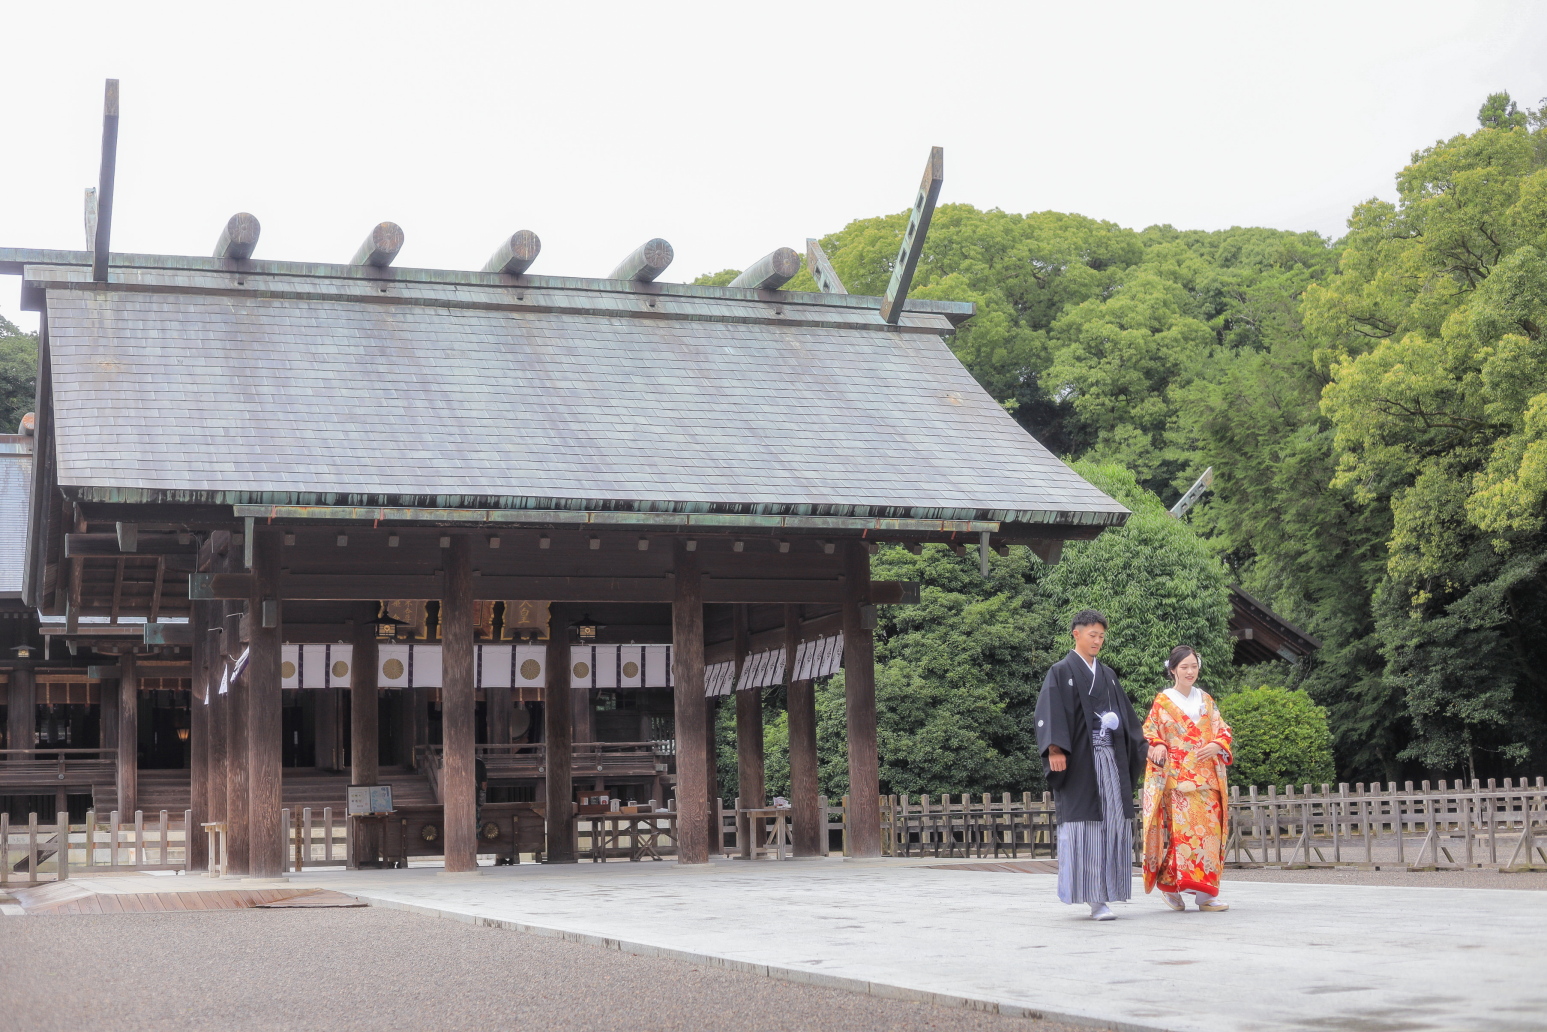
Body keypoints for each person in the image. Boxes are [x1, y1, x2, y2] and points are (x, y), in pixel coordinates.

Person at [1035, 609, 1147, 920]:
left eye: (1101, 636)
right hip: (1082, 762)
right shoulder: (1060, 671)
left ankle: (1109, 890)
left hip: (1110, 759)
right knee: (1085, 825)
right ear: (1076, 634)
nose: (1097, 641)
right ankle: (1094, 897)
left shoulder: (1108, 675)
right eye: (1092, 635)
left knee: (1113, 821)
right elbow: (1049, 710)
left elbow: (1127, 718)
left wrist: (1133, 739)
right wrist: (1054, 748)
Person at [1140, 644, 1233, 912]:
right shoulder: (1163, 701)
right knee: (1185, 836)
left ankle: (1203, 895)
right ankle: (1173, 888)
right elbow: (1150, 731)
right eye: (1184, 667)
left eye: (1194, 666)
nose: (1190, 671)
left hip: (1207, 776)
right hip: (1178, 777)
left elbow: (1222, 729)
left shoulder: (1205, 699)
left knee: (1211, 834)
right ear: (1172, 670)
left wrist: (1218, 744)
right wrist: (1157, 744)